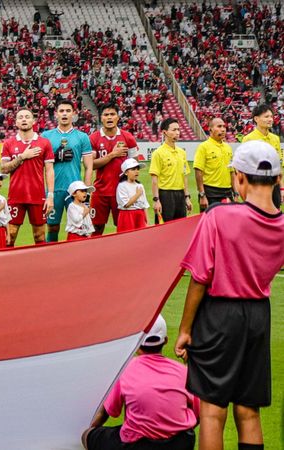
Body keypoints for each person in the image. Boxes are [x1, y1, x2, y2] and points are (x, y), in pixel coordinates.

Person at [174, 141, 284, 450]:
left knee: (212, 410)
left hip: (220, 316)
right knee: (249, 411)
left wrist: (185, 330)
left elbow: (199, 278)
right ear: (277, 179)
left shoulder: (219, 216)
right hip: (259, 317)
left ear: (239, 178)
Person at [83, 315, 199, 450]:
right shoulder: (183, 371)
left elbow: (106, 413)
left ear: (137, 343)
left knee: (87, 435)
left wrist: (87, 431)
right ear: (165, 340)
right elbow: (198, 414)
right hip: (179, 444)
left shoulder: (125, 369)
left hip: (138, 445)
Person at [0, 109, 55, 246]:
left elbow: (49, 171)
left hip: (37, 196)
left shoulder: (44, 143)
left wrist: (50, 196)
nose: (24, 119)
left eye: (27, 117)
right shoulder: (9, 143)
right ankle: (7, 265)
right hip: (16, 195)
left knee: (40, 235)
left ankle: (40, 265)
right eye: (20, 117)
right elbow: (4, 169)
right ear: (16, 122)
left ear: (33, 121)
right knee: (10, 235)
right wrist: (22, 157)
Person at [42, 99, 94, 242]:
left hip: (75, 191)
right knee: (52, 227)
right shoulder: (46, 136)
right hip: (54, 189)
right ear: (56, 114)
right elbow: (40, 164)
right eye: (61, 111)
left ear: (74, 114)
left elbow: (89, 166)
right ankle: (51, 257)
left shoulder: (82, 137)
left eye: (68, 111)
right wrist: (56, 157)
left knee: (78, 226)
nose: (64, 114)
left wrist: (86, 192)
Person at [89, 104, 138, 235]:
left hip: (122, 191)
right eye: (106, 115)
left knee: (123, 228)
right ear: (101, 118)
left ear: (118, 117)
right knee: (96, 228)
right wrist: (113, 154)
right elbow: (91, 165)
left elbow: (135, 164)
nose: (109, 117)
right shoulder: (93, 138)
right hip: (100, 191)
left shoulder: (128, 137)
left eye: (112, 114)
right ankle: (95, 255)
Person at [241, 104, 283, 208]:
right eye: (266, 116)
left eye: (271, 117)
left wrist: (281, 188)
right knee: (257, 216)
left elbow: (279, 165)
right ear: (256, 119)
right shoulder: (248, 139)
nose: (270, 119)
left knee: (274, 214)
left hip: (274, 185)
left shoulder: (275, 139)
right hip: (256, 186)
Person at [150, 118, 191, 223]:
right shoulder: (158, 153)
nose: (177, 133)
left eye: (178, 129)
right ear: (164, 132)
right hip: (165, 195)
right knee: (163, 230)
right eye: (174, 130)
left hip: (180, 195)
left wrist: (187, 197)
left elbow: (185, 176)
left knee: (180, 227)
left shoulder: (182, 152)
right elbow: (154, 180)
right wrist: (156, 200)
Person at [194, 118, 235, 211]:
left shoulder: (228, 147)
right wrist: (202, 195)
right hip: (211, 192)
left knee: (227, 223)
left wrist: (235, 192)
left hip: (227, 192)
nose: (223, 129)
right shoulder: (203, 147)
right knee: (211, 224)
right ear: (210, 129)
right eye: (219, 126)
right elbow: (198, 171)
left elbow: (232, 171)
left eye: (224, 126)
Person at [116, 158, 149, 232]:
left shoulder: (140, 185)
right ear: (126, 172)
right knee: (127, 238)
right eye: (133, 169)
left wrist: (147, 222)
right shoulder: (122, 186)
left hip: (140, 215)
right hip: (127, 216)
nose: (136, 171)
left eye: (137, 169)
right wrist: (137, 194)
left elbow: (144, 205)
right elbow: (126, 204)